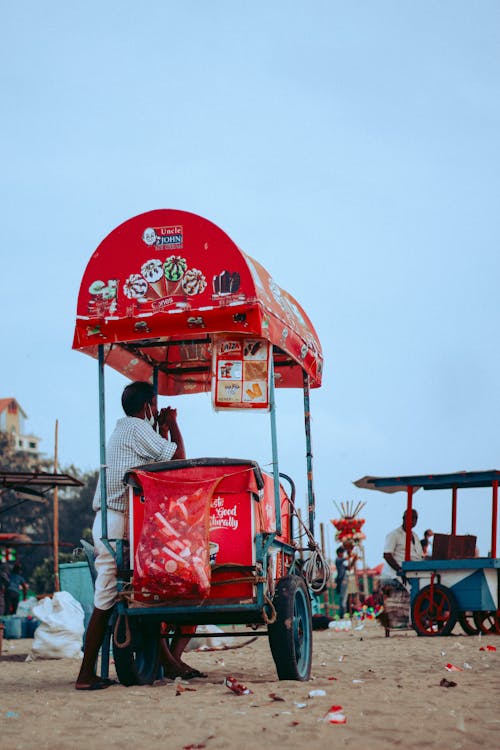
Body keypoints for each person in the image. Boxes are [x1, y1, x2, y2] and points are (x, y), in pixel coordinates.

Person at [75, 380, 196, 690]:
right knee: (117, 596)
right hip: (117, 523)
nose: (156, 411)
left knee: (132, 591)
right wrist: (173, 424)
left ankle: (165, 659)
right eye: (153, 407)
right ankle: (86, 674)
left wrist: (160, 426)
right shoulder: (136, 428)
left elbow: (158, 461)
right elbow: (178, 459)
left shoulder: (125, 430)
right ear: (146, 407)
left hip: (110, 522)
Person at [380, 509, 423, 635]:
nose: (413, 521)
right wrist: (399, 569)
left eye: (415, 519)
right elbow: (387, 554)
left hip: (413, 573)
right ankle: (411, 621)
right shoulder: (394, 534)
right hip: (394, 574)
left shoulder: (415, 536)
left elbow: (419, 556)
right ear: (404, 518)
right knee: (413, 591)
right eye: (410, 518)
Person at [334, 546, 348, 617]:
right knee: (342, 598)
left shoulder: (341, 563)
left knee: (343, 598)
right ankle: (342, 614)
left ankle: (342, 613)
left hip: (342, 581)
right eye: (342, 552)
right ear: (339, 553)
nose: (343, 554)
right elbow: (345, 559)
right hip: (341, 581)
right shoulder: (338, 560)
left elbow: (348, 567)